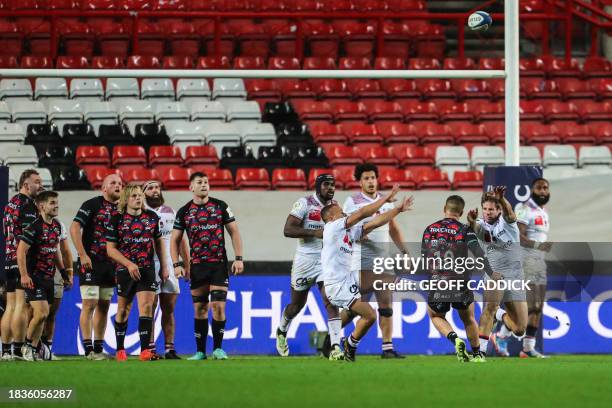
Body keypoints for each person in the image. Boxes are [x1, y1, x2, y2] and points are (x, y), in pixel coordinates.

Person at [320, 184, 413, 362]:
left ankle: (348, 342)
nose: (345, 214)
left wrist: (398, 209)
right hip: (337, 286)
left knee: (385, 279)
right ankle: (349, 344)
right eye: (341, 212)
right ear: (331, 217)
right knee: (369, 315)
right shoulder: (332, 228)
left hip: (349, 279)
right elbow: (362, 213)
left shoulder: (346, 231)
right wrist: (385, 199)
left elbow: (375, 222)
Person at [171, 172, 244, 360]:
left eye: (206, 182)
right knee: (200, 309)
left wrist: (238, 258)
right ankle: (200, 352)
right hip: (197, 267)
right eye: (199, 182)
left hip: (218, 265)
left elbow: (234, 232)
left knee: (218, 306)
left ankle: (218, 349)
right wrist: (177, 264)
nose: (204, 185)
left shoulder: (221, 206)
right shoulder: (184, 211)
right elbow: (175, 240)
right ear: (191, 187)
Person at [342, 164, 410, 358]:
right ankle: (332, 334)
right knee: (357, 305)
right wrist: (357, 235)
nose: (371, 181)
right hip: (360, 260)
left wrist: (404, 251)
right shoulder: (352, 202)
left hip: (382, 260)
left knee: (386, 303)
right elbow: (346, 228)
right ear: (359, 181)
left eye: (373, 177)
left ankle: (387, 347)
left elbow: (393, 228)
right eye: (366, 178)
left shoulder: (385, 201)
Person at [422, 195, 500, 363]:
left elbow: (425, 256)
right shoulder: (464, 229)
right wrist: (491, 272)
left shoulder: (430, 229)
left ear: (445, 208)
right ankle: (478, 354)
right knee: (468, 318)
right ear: (461, 212)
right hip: (460, 280)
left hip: (438, 280)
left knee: (436, 315)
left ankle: (455, 339)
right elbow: (479, 252)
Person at [276, 174, 344, 360]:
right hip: (304, 262)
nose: (330, 188)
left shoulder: (336, 207)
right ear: (317, 187)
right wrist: (314, 233)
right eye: (326, 184)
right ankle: (282, 329)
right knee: (297, 305)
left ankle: (335, 347)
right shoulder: (304, 203)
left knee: (331, 301)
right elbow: (288, 229)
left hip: (326, 262)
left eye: (333, 184)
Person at [106, 184, 166, 362]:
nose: (138, 198)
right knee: (124, 310)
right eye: (134, 196)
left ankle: (145, 351)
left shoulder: (152, 217)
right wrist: (128, 264)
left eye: (140, 195)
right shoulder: (116, 219)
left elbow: (159, 243)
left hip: (147, 269)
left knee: (147, 306)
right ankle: (120, 349)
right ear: (126, 199)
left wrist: (163, 266)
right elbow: (110, 250)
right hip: (125, 271)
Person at [467, 187, 527, 359]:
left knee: (519, 329)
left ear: (498, 209)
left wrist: (502, 200)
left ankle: (501, 315)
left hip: (515, 275)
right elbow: (480, 231)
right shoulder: (480, 223)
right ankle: (480, 353)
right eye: (485, 209)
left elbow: (510, 213)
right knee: (490, 308)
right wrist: (471, 222)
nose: (487, 212)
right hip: (495, 273)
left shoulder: (507, 222)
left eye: (491, 209)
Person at [70, 174, 123, 360]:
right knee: (89, 304)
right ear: (104, 188)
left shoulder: (123, 209)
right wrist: (82, 254)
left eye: (120, 183)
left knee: (104, 306)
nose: (117, 185)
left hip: (111, 266)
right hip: (91, 262)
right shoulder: (91, 204)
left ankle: (99, 350)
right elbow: (75, 227)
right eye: (113, 183)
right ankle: (88, 350)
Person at [143, 180, 189, 359]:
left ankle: (169, 348)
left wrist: (187, 264)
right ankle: (151, 348)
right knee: (149, 307)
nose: (155, 191)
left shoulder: (171, 212)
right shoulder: (141, 212)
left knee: (168, 308)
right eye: (150, 188)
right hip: (149, 264)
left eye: (157, 187)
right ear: (144, 192)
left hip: (170, 264)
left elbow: (180, 240)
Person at [16, 191, 64, 361]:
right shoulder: (34, 227)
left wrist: (63, 271)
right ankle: (26, 346)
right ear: (42, 206)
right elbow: (21, 251)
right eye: (52, 203)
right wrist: (24, 275)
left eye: (56, 202)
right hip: (34, 277)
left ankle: (35, 350)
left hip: (49, 277)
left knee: (44, 315)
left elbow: (55, 249)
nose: (56, 205)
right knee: (42, 312)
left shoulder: (56, 226)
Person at [1, 169, 42, 361]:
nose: (40, 185)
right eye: (37, 182)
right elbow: (29, 238)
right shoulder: (27, 205)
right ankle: (17, 350)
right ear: (26, 185)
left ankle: (6, 350)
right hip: (21, 260)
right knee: (21, 306)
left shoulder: (10, 204)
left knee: (10, 306)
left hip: (8, 259)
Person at [515, 178, 551, 358]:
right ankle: (502, 336)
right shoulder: (524, 208)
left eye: (545, 188)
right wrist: (538, 246)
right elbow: (519, 237)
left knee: (538, 307)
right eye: (539, 188)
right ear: (532, 190)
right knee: (529, 305)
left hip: (539, 262)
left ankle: (528, 348)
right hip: (526, 260)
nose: (543, 191)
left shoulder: (543, 211)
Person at [39, 221, 74, 361]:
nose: (55, 206)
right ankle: (33, 347)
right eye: (52, 203)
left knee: (52, 312)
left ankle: (47, 350)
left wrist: (69, 272)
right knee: (38, 313)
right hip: (38, 271)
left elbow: (65, 250)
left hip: (56, 272)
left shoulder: (59, 225)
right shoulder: (33, 223)